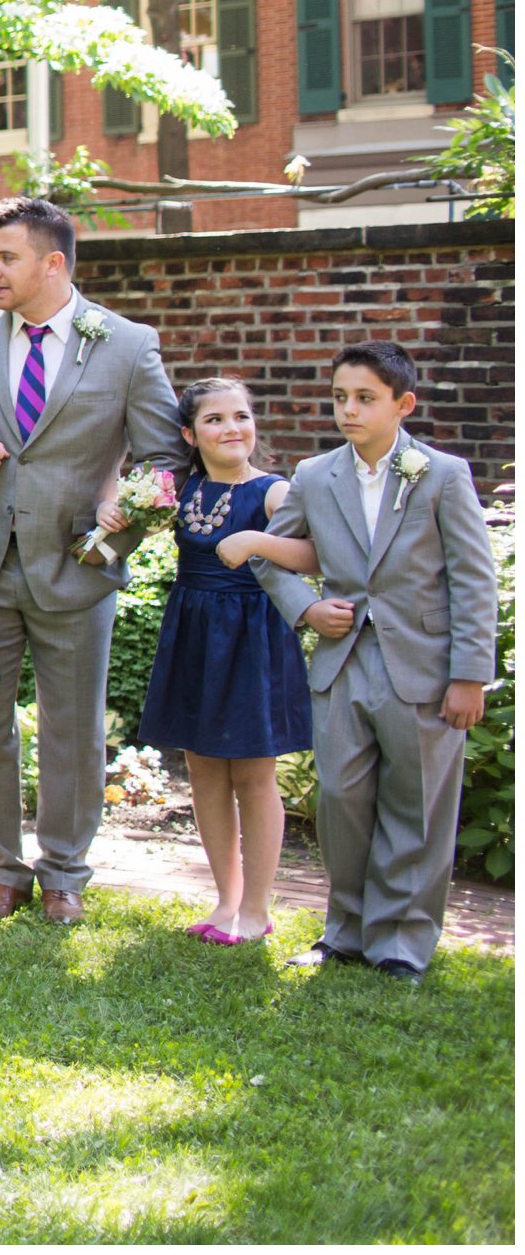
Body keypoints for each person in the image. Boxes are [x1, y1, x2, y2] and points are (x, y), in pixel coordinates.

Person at [0, 196, 183, 925]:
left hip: (78, 563)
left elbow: (164, 458)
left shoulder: (128, 345)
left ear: (53, 263)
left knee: (72, 728)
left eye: (6, 257)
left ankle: (66, 872)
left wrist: (116, 527)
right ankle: (1, 873)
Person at [257, 343, 499, 986]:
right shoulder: (315, 475)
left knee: (416, 805)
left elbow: (474, 580)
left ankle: (402, 944)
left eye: (365, 398)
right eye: (340, 397)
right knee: (340, 799)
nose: (349, 410)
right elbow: (267, 555)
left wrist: (469, 675)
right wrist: (307, 610)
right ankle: (345, 932)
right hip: (343, 661)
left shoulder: (442, 474)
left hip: (424, 666)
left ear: (403, 404)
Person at [134, 378, 312, 947]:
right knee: (204, 767)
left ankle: (257, 908)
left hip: (252, 635)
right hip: (194, 631)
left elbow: (315, 554)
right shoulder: (181, 490)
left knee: (254, 773)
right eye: (215, 420)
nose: (233, 428)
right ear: (190, 435)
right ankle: (226, 900)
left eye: (241, 416)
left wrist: (258, 542)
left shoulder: (274, 492)